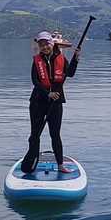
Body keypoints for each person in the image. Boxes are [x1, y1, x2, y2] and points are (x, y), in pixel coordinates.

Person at [20, 31, 80, 174]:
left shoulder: (61, 58)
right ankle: (32, 162)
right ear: (39, 46)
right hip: (38, 102)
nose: (44, 47)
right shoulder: (36, 61)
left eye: (47, 44)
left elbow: (70, 73)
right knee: (35, 134)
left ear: (52, 44)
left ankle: (60, 165)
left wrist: (76, 59)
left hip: (56, 103)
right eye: (41, 45)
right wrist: (48, 93)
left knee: (55, 134)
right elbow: (35, 81)